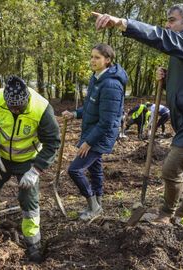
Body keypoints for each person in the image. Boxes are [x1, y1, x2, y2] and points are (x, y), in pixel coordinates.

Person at [93, 3, 183, 223]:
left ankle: (167, 213)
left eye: (172, 20)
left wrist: (122, 23)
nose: (167, 25)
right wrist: (168, 81)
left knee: (171, 168)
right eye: (167, 20)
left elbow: (159, 36)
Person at [0, 75, 60, 263]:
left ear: (27, 98)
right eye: (12, 107)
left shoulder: (41, 108)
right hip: (1, 156)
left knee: (28, 199)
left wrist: (36, 170)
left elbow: (52, 142)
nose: (15, 110)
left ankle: (33, 241)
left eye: (19, 107)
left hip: (28, 160)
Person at [62, 44, 128, 221]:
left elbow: (107, 121)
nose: (93, 60)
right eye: (91, 56)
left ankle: (93, 206)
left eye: (97, 57)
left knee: (74, 170)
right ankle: (98, 203)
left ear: (107, 60)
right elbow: (92, 107)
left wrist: (89, 142)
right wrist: (75, 113)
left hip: (101, 135)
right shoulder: (96, 78)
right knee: (95, 167)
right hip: (93, 130)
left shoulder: (111, 85)